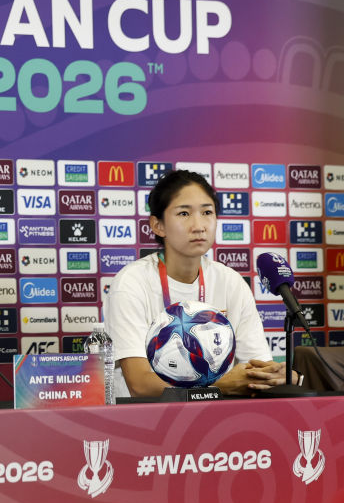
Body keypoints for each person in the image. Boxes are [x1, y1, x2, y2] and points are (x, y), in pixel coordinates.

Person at [106, 169, 296, 397]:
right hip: (147, 414)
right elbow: (139, 385)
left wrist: (279, 376)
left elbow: (258, 367)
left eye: (207, 212)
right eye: (184, 213)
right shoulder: (132, 282)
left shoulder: (230, 281)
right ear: (158, 225)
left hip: (217, 414)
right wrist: (217, 388)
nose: (199, 226)